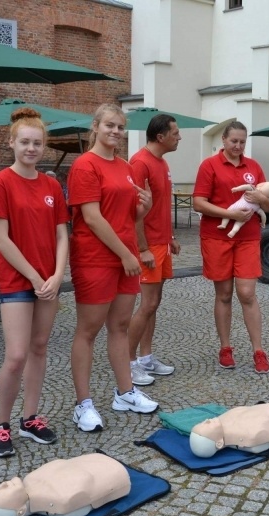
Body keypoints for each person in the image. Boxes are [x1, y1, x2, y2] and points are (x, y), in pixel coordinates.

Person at [0, 108, 69, 458]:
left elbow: (63, 234)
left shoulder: (50, 185)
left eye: (37, 143)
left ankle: (29, 418)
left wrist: (58, 275)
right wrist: (34, 276)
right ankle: (1, 424)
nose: (31, 148)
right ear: (12, 142)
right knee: (16, 355)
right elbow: (1, 238)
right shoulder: (0, 183)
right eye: (25, 142)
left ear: (43, 146)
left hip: (48, 279)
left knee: (40, 348)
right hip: (18, 279)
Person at [68, 103, 158, 433]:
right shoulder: (84, 166)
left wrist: (142, 211)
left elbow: (125, 214)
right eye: (110, 125)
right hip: (96, 256)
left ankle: (125, 392)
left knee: (119, 325)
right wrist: (125, 254)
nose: (116, 132)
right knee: (88, 330)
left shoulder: (124, 166)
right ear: (96, 126)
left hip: (124, 255)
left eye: (120, 127)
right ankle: (83, 404)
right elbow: (91, 217)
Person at [193, 121, 269, 374]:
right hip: (217, 237)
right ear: (224, 140)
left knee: (247, 293)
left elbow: (267, 206)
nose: (238, 146)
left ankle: (258, 350)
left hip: (248, 237)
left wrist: (261, 199)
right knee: (224, 294)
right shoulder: (210, 165)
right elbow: (198, 203)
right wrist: (231, 215)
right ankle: (225, 347)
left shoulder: (254, 166)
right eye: (233, 141)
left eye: (242, 142)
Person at [126, 114, 181, 386]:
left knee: (154, 304)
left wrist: (169, 236)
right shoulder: (140, 162)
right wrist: (143, 248)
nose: (179, 137)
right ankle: (127, 362)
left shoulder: (162, 162)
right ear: (161, 137)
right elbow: (134, 211)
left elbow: (159, 205)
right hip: (148, 247)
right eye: (175, 133)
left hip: (161, 243)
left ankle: (146, 358)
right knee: (146, 304)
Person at [0, 453, 131, 516]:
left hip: (95, 462)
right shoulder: (61, 503)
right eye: (2, 493)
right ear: (20, 512)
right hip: (113, 472)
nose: (2, 485)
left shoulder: (30, 479)